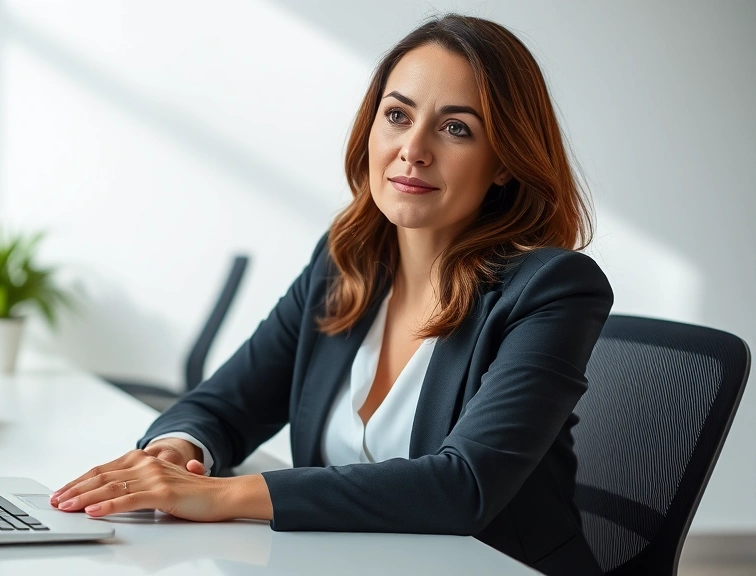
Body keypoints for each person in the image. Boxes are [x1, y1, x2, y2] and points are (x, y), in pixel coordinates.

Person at [52, 13, 612, 576]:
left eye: (456, 128)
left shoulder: (551, 290)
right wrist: (173, 457)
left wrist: (219, 497)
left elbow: (462, 487)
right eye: (397, 115)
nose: (413, 150)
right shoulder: (342, 266)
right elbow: (225, 405)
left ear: (505, 163)